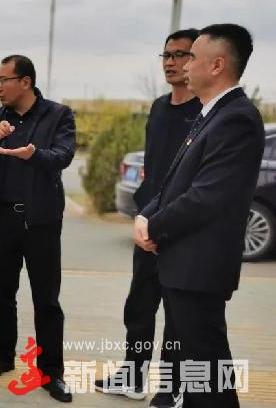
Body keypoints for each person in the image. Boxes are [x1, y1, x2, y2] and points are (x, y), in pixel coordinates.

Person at [135, 24, 264, 408]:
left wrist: (154, 227)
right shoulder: (212, 114)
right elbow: (175, 182)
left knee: (208, 380)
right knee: (199, 377)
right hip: (184, 266)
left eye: (192, 56)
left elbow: (206, 196)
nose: (184, 65)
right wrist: (147, 215)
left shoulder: (236, 119)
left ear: (217, 65)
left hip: (199, 268)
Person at [95, 29, 201, 408]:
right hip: (148, 226)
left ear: (198, 59)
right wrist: (142, 214)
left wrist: (166, 222)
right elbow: (153, 170)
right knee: (139, 306)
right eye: (166, 55)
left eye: (180, 54)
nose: (171, 62)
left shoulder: (205, 113)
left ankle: (171, 389)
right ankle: (133, 376)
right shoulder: (158, 107)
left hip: (181, 230)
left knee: (176, 314)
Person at [0, 55, 75, 403]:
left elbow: (63, 155)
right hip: (2, 220)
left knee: (47, 301)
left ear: (25, 82)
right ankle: (3, 356)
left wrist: (34, 155)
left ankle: (51, 372)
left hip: (41, 222)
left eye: (4, 80)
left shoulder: (58, 114)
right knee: (2, 296)